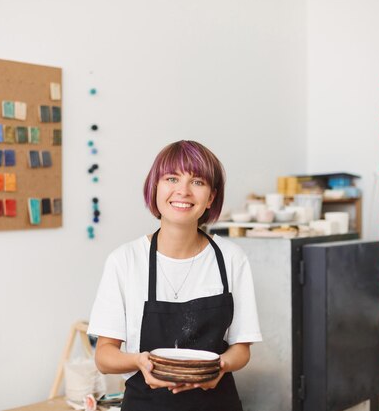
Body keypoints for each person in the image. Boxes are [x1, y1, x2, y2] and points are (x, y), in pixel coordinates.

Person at [87, 140, 262, 411]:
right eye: (171, 178)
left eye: (198, 182)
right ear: (155, 187)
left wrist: (220, 366)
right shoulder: (125, 261)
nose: (183, 191)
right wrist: (139, 361)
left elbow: (242, 350)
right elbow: (104, 357)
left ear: (211, 197)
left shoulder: (231, 258)